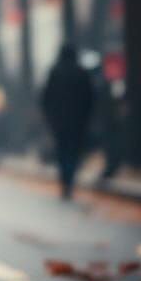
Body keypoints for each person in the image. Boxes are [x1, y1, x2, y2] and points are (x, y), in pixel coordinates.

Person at [41, 44, 95, 198]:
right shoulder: (81, 72)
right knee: (74, 150)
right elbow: (89, 97)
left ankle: (65, 180)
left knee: (62, 151)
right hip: (78, 121)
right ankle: (70, 179)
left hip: (59, 122)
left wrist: (49, 117)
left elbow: (46, 97)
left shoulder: (55, 72)